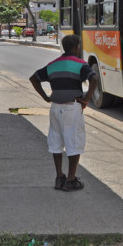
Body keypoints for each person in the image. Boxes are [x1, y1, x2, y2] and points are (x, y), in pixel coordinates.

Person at [29, 34, 97, 192]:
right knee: (74, 142)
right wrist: (86, 99)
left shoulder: (53, 64)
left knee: (56, 141)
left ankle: (59, 177)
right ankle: (71, 180)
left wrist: (46, 97)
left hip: (55, 107)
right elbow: (93, 79)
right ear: (76, 47)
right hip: (72, 107)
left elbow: (34, 78)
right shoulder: (80, 64)